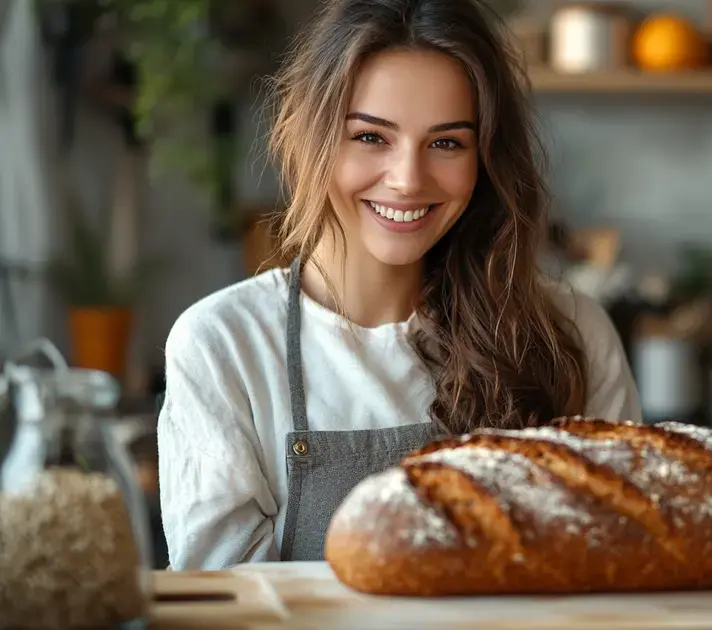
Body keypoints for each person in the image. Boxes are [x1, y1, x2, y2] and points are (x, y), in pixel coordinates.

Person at [157, 0, 642, 571]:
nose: (408, 180)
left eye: (446, 143)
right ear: (304, 135)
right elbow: (229, 608)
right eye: (370, 137)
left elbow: (620, 565)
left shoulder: (570, 332)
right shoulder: (224, 346)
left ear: (484, 160)